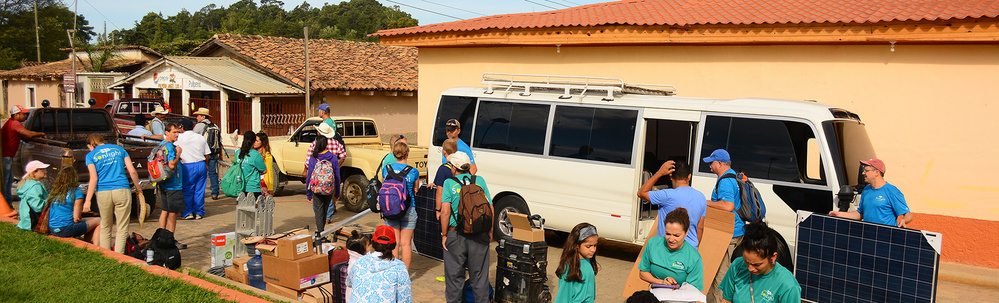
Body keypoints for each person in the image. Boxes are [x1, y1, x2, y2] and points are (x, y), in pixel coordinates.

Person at [440, 151, 493, 303]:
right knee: (480, 278)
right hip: (479, 234)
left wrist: (444, 235)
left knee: (454, 278)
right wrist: (490, 231)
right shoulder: (479, 180)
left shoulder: (449, 183)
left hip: (455, 235)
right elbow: (490, 207)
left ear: (454, 168)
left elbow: (445, 211)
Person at [83, 134, 142, 253]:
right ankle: (119, 256)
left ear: (90, 145)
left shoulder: (90, 155)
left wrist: (88, 200)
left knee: (105, 226)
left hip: (103, 191)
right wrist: (138, 188)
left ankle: (107, 255)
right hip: (122, 189)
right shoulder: (120, 149)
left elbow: (93, 178)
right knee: (122, 227)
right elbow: (132, 171)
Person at [718, 221, 800, 303]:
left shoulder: (788, 286)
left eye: (756, 264)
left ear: (773, 257)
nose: (750, 268)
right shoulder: (737, 266)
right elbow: (726, 300)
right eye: (746, 262)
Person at [702, 149, 744, 303]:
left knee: (720, 275)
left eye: (711, 163)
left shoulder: (725, 180)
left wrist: (706, 202)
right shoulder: (734, 176)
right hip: (735, 231)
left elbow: (727, 206)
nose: (710, 166)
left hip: (728, 234)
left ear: (720, 163)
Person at [638, 160, 707, 249]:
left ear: (671, 176)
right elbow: (700, 228)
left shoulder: (666, 195)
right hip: (690, 249)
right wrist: (694, 249)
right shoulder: (701, 197)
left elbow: (641, 193)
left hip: (669, 249)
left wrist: (659, 173)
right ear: (689, 177)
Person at [830, 158, 914, 227]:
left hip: (886, 238)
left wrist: (904, 220)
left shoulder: (892, 191)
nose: (863, 173)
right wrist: (839, 214)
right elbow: (860, 214)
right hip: (868, 236)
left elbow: (908, 215)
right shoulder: (866, 190)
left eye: (866, 170)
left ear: (877, 173)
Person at [638, 207, 704, 291]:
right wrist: (660, 282)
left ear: (686, 232)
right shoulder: (653, 244)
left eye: (676, 235)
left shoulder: (694, 257)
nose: (671, 239)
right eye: (668, 234)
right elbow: (643, 273)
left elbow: (694, 289)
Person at [347, 225, 413, 303]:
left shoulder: (359, 261)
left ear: (373, 243)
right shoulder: (400, 268)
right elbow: (405, 299)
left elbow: (349, 282)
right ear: (394, 245)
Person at [381, 140, 419, 269]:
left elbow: (384, 186)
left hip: (391, 208)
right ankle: (405, 274)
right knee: (406, 243)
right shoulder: (413, 171)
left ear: (394, 154)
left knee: (395, 243)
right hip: (409, 208)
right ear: (407, 154)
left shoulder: (387, 169)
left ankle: (395, 272)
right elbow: (416, 189)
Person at [3, 105, 45, 205]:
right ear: (16, 115)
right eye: (23, 114)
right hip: (6, 156)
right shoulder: (14, 123)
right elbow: (28, 134)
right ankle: (5, 205)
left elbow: (24, 138)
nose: (25, 116)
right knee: (5, 183)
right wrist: (41, 134)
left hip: (8, 156)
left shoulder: (11, 123)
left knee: (8, 182)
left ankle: (8, 204)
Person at [47, 166, 101, 245]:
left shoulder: (55, 191)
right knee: (99, 220)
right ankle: (95, 248)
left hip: (52, 228)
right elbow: (76, 218)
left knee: (90, 222)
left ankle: (87, 244)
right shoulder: (76, 192)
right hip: (66, 229)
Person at [305, 124, 341, 235]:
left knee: (318, 211)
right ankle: (322, 231)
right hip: (328, 189)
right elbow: (337, 176)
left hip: (316, 189)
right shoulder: (333, 158)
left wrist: (308, 193)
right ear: (325, 144)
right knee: (325, 210)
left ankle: (320, 233)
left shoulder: (313, 158)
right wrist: (337, 193)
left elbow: (309, 177)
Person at [156, 123, 186, 248]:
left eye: (178, 132)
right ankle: (170, 239)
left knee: (165, 211)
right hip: (173, 185)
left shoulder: (161, 145)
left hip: (164, 183)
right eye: (174, 132)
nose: (177, 134)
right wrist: (178, 153)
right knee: (173, 213)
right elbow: (172, 165)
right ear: (167, 133)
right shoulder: (170, 146)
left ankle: (161, 237)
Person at [554, 223, 600, 303]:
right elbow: (563, 297)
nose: (593, 249)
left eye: (595, 245)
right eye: (588, 246)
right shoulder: (569, 268)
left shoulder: (587, 260)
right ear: (577, 245)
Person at [176, 118, 210, 220]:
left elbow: (165, 137)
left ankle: (188, 212)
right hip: (201, 164)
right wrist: (205, 165)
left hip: (187, 165)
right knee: (199, 190)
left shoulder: (180, 137)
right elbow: (206, 154)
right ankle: (199, 212)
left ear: (182, 127)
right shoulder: (200, 137)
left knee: (187, 189)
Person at [192, 107, 225, 200]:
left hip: (202, 153)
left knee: (201, 174)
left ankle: (199, 193)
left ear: (203, 116)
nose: (197, 117)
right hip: (214, 152)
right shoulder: (215, 126)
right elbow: (220, 141)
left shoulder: (199, 126)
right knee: (213, 173)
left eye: (198, 115)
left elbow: (194, 139)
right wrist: (220, 154)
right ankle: (215, 192)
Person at [15, 160, 49, 231]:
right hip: (33, 224)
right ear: (34, 173)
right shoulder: (35, 186)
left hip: (25, 222)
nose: (46, 171)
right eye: (43, 170)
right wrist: (50, 201)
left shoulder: (27, 183)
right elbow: (38, 207)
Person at [234, 131, 267, 195]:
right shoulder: (255, 154)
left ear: (243, 139)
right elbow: (264, 170)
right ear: (254, 141)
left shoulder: (237, 153)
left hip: (240, 187)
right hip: (253, 188)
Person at [433, 139, 459, 221]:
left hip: (448, 207)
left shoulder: (443, 169)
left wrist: (438, 210)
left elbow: (439, 192)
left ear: (444, 152)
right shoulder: (462, 166)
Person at [345, 230, 373, 300]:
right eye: (368, 245)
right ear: (360, 249)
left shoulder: (357, 259)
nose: (371, 247)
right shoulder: (357, 264)